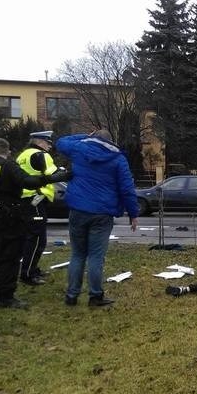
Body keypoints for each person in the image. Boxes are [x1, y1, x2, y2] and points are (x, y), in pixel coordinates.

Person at [0, 138, 70, 309]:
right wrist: (53, 178)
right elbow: (28, 182)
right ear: (7, 152)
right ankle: (6, 296)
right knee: (9, 257)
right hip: (8, 218)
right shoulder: (9, 166)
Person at [56, 129, 139, 307]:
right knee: (96, 256)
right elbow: (127, 189)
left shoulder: (78, 149)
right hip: (102, 213)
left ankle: (72, 295)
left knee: (77, 254)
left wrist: (85, 136)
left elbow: (60, 141)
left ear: (93, 138)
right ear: (111, 141)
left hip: (78, 210)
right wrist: (133, 213)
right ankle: (95, 296)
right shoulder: (117, 159)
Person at [16, 131, 58, 285]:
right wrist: (68, 173)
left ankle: (31, 269)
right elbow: (53, 175)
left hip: (24, 201)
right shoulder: (41, 155)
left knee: (28, 238)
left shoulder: (22, 156)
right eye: (48, 143)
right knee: (38, 239)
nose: (49, 146)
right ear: (40, 142)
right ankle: (27, 274)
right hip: (36, 200)